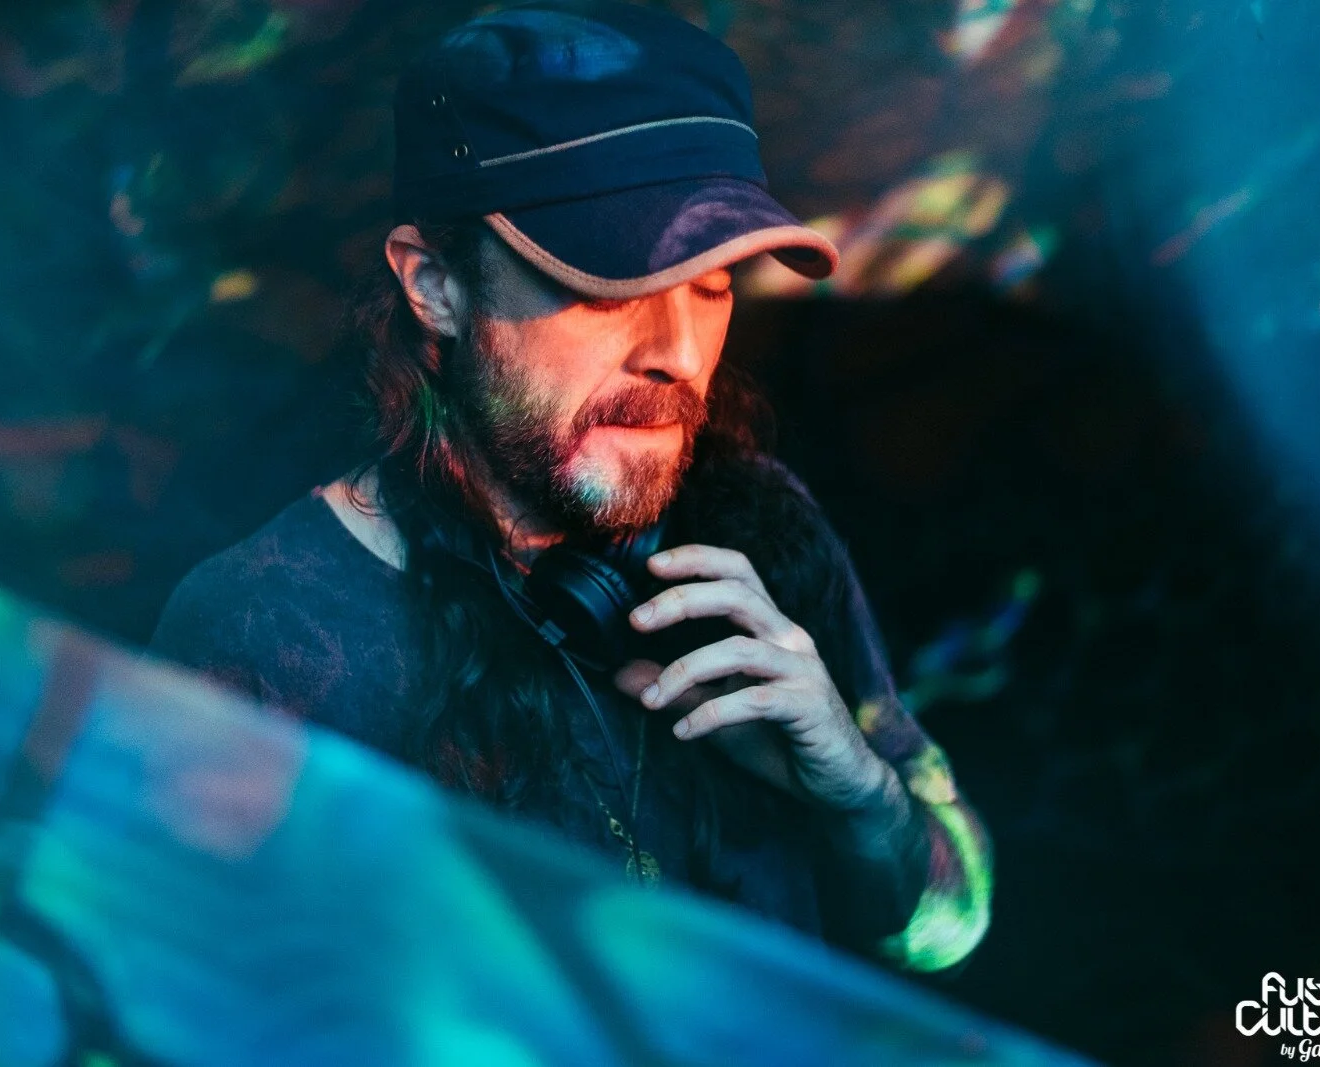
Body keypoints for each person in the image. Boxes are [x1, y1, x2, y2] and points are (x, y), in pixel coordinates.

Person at [149, 0, 991, 973]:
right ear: (435, 285)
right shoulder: (261, 630)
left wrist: (859, 794)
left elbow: (950, 925)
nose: (678, 354)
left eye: (712, 285)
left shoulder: (762, 523)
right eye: (608, 284)